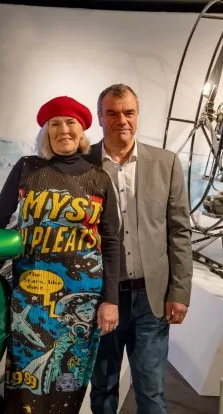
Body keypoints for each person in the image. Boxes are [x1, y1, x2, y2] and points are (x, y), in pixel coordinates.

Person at [0, 96, 121, 414]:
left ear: (82, 129)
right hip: (31, 297)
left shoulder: (99, 179)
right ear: (46, 132)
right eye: (55, 124)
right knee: (24, 379)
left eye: (70, 122)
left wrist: (110, 300)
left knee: (67, 381)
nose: (63, 130)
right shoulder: (27, 169)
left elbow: (111, 242)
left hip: (81, 300)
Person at [86, 84, 193, 414]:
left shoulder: (166, 163)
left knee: (151, 389)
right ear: (101, 118)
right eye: (113, 113)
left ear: (137, 115)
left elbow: (179, 232)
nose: (122, 120)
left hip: (152, 297)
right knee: (102, 387)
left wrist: (180, 290)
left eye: (128, 112)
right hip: (101, 296)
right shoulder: (82, 164)